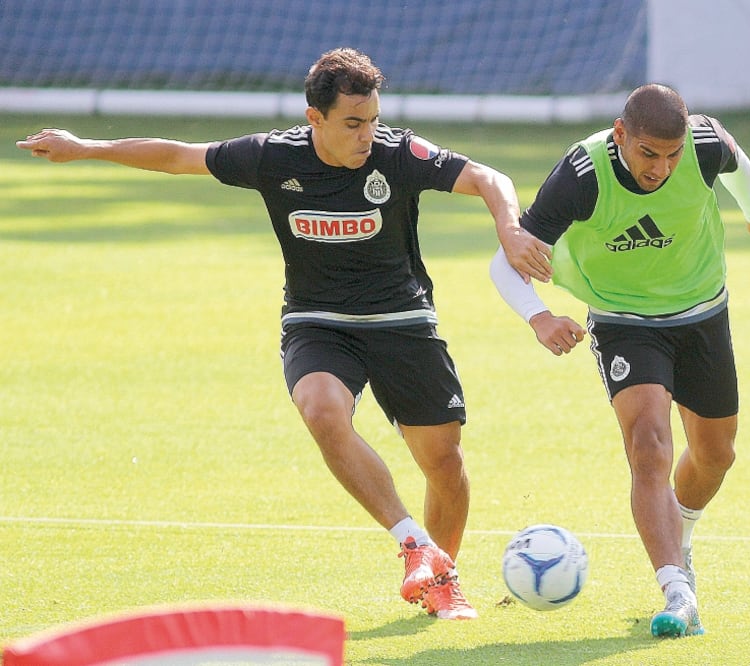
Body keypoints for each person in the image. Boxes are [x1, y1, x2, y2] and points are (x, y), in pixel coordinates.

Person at [17, 47, 550, 621]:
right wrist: (87, 147)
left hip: (402, 320)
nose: (367, 134)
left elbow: (487, 176)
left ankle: (443, 576)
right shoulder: (273, 157)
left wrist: (510, 228)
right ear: (314, 117)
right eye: (353, 123)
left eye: (372, 119)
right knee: (321, 409)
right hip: (316, 321)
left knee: (444, 464)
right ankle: (414, 545)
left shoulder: (399, 153)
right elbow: (177, 157)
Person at [490, 83, 750, 637]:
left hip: (701, 311)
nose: (662, 169)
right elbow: (506, 262)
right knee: (648, 445)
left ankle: (681, 531)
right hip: (624, 320)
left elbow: (737, 161)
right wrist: (540, 317)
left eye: (673, 156)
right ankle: (677, 588)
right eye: (649, 153)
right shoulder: (581, 176)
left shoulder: (704, 144)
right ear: (620, 134)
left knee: (716, 454)